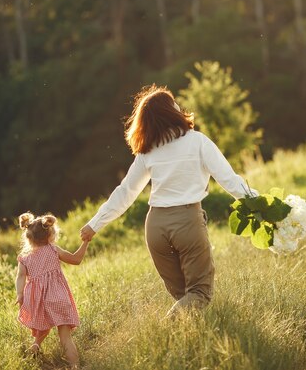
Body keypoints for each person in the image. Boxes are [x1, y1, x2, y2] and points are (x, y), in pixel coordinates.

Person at [79, 84, 256, 316]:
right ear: (171, 111)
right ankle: (163, 331)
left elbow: (125, 192)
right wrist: (262, 207)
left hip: (155, 228)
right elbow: (230, 180)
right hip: (187, 222)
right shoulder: (197, 141)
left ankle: (187, 345)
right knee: (199, 293)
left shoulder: (148, 151)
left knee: (185, 298)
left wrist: (95, 224)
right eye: (174, 103)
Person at [16, 212, 89, 368]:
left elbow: (20, 277)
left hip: (38, 301)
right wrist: (85, 242)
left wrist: (20, 294)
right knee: (65, 338)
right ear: (50, 235)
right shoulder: (53, 250)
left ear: (28, 237)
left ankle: (36, 345)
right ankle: (74, 366)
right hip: (59, 298)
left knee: (43, 326)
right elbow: (76, 259)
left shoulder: (25, 257)